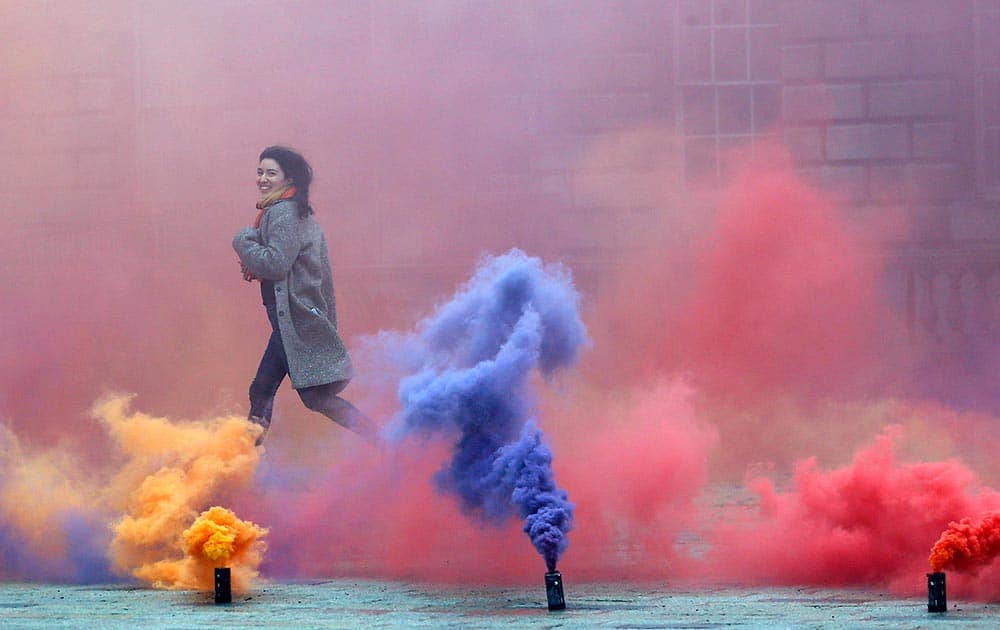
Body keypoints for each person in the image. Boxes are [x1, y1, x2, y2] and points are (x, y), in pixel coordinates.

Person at [233, 145, 374, 445]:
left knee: (313, 397)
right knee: (262, 389)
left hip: (292, 317)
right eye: (260, 172)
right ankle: (245, 458)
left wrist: (243, 241)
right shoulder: (289, 209)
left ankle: (381, 441)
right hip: (291, 316)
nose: (263, 178)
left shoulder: (282, 212)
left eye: (271, 173)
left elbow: (275, 263)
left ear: (288, 178)